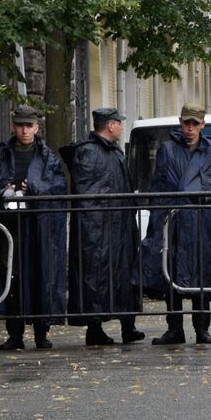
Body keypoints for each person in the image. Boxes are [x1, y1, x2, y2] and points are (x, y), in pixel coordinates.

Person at [0, 106, 67, 350]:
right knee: (13, 278)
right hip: (11, 227)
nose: (25, 130)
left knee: (40, 275)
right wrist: (3, 190)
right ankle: (15, 333)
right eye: (20, 125)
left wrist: (36, 189)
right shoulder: (1, 154)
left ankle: (41, 332)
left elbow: (58, 189)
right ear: (12, 126)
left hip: (39, 228)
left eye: (29, 126)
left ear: (37, 128)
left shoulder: (48, 157)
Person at [142, 104, 211, 345]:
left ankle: (202, 328)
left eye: (194, 123)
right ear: (180, 122)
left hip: (199, 222)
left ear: (203, 125)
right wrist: (159, 216)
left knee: (200, 274)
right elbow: (158, 184)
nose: (190, 128)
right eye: (186, 123)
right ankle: (175, 328)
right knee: (172, 273)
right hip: (173, 219)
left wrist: (186, 191)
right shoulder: (168, 150)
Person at [68, 108, 143, 346]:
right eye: (119, 123)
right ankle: (95, 328)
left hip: (120, 227)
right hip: (99, 231)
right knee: (96, 277)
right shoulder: (89, 153)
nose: (121, 126)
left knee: (124, 275)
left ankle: (128, 326)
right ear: (110, 125)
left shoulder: (115, 152)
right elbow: (89, 192)